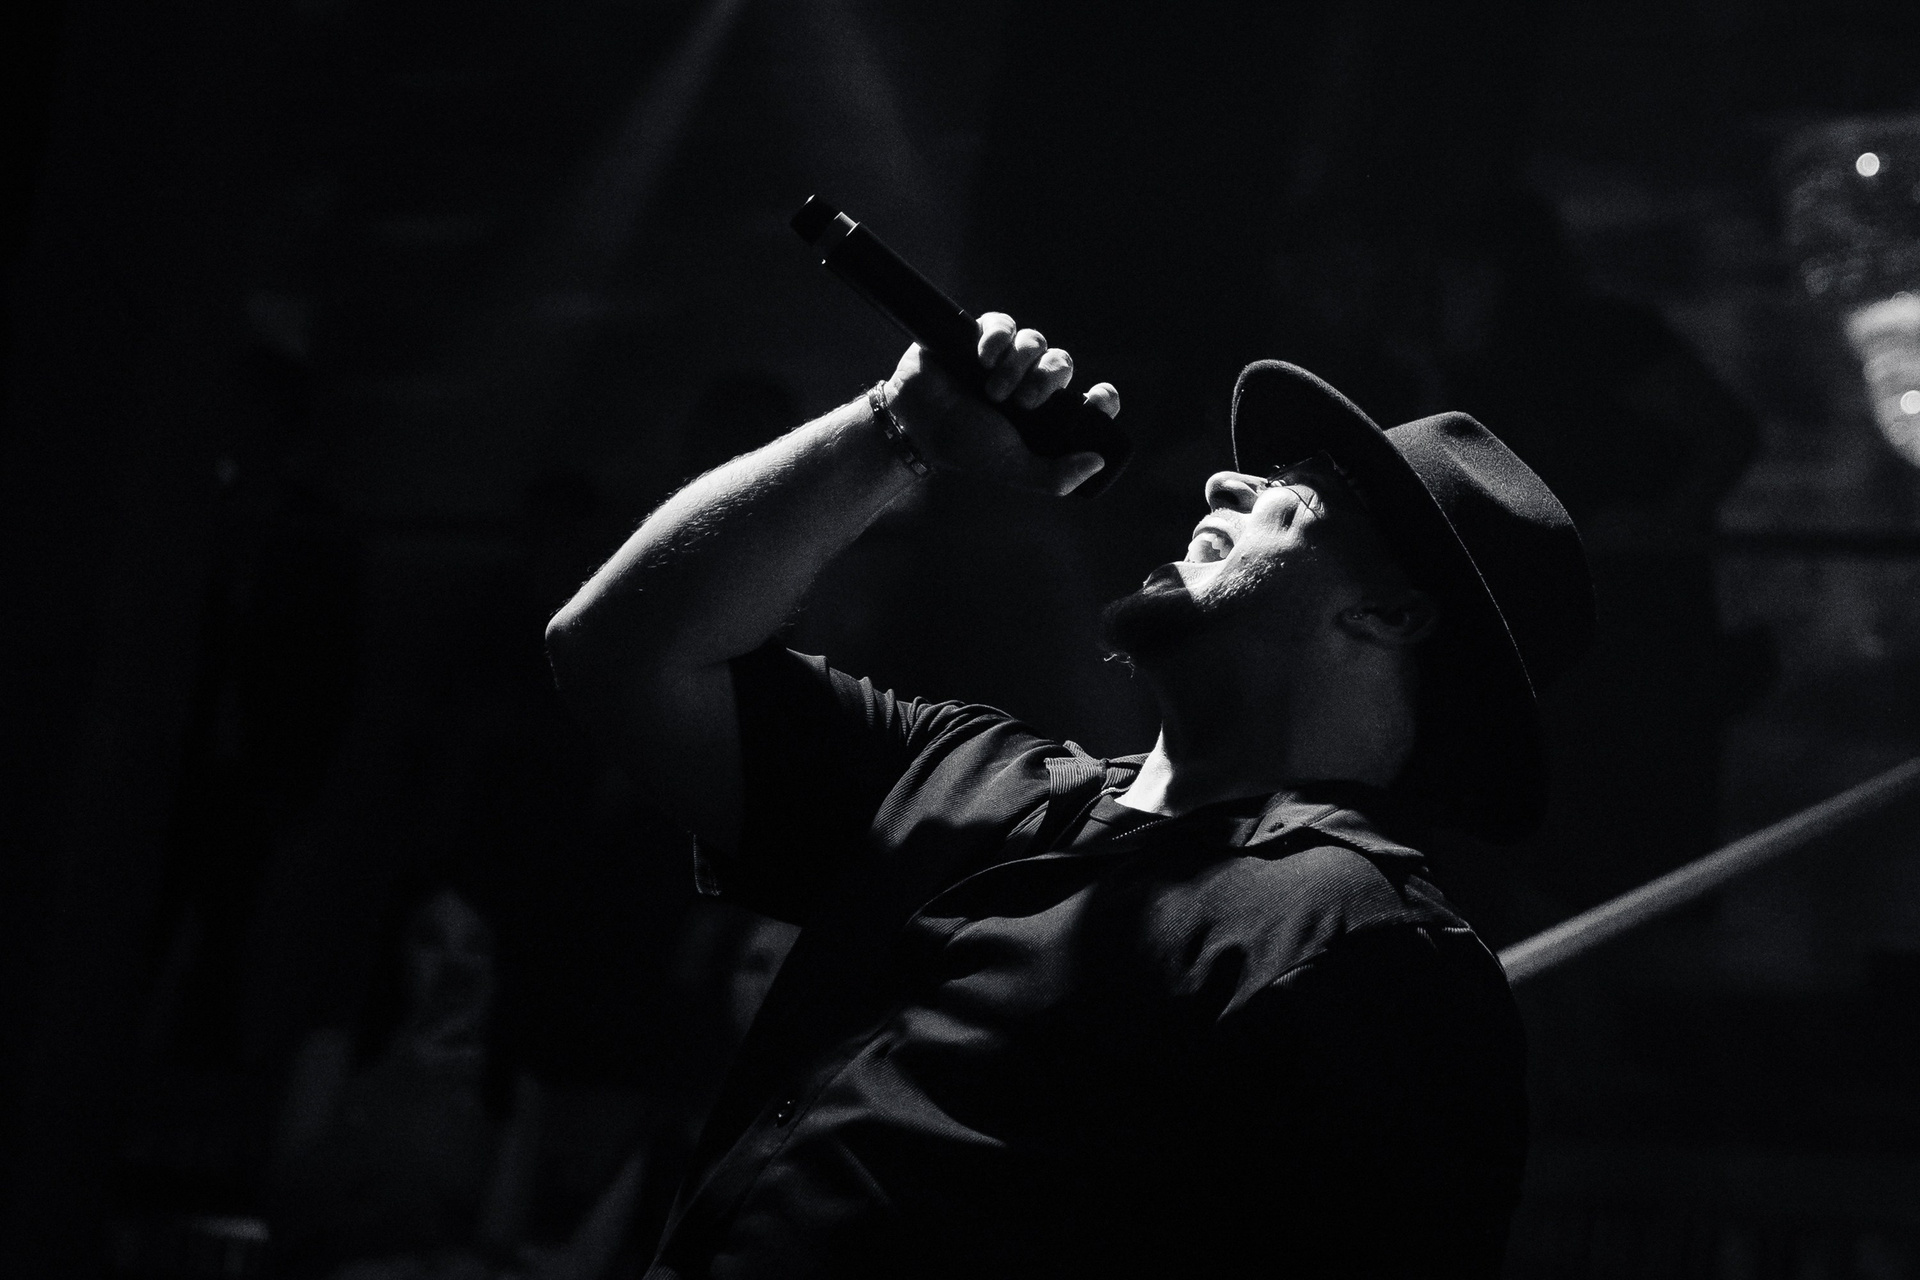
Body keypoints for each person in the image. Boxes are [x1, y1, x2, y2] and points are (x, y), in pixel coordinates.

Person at [545, 313, 1596, 1278]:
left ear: (1395, 614)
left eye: (1297, 486)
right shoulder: (961, 773)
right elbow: (621, 652)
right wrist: (898, 431)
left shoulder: (1365, 942)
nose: (1222, 484)